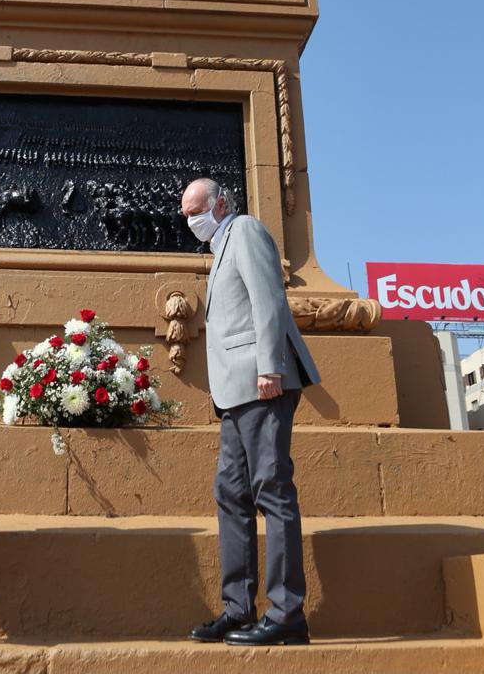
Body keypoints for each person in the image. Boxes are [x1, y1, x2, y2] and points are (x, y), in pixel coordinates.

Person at [181, 178, 321, 647]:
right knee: (231, 494)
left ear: (220, 202)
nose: (191, 219)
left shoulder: (245, 231)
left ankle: (286, 614)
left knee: (271, 490)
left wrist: (270, 368)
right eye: (185, 214)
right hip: (234, 394)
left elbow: (268, 301)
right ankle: (239, 609)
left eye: (197, 209)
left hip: (262, 385)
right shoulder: (219, 248)